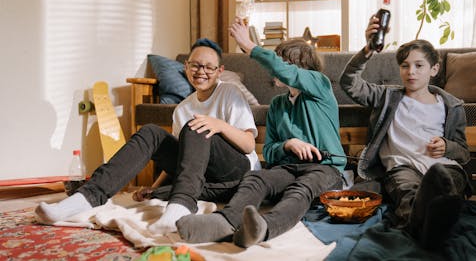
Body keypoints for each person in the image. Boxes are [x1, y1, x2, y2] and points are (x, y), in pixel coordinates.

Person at [35, 38, 260, 234]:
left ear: (219, 71)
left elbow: (249, 145)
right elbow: (186, 160)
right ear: (186, 66)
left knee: (196, 126)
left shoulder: (229, 93)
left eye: (209, 67)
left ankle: (181, 205)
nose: (202, 71)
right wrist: (154, 186)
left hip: (237, 175)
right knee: (152, 131)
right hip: (202, 180)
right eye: (196, 65)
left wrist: (218, 124)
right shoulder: (182, 108)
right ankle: (86, 198)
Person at [175, 18, 346, 247]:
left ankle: (264, 228)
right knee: (256, 178)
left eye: (280, 63)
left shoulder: (320, 86)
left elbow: (286, 72)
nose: (272, 69)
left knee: (301, 189)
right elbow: (270, 151)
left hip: (326, 168)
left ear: (297, 67)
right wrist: (288, 144)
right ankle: (225, 223)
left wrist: (249, 45)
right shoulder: (277, 105)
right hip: (287, 167)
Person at [340, 16, 471, 250]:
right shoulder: (387, 96)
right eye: (405, 66)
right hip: (403, 167)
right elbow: (349, 83)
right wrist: (369, 49)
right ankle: (426, 228)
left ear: (434, 69)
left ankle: (433, 218)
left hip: (443, 165)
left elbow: (463, 152)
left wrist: (446, 146)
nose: (411, 72)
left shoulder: (451, 106)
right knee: (407, 194)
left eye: (419, 65)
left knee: (447, 184)